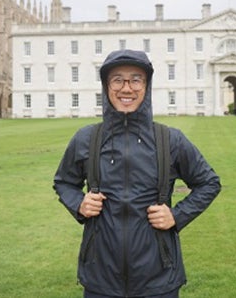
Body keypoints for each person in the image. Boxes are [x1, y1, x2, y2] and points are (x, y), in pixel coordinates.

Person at [53, 49, 221, 297]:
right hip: (101, 278)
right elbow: (64, 182)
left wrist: (176, 215)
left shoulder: (169, 139)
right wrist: (80, 203)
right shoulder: (86, 138)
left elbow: (209, 182)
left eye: (136, 79)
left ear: (147, 85)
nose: (127, 88)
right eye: (118, 79)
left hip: (158, 278)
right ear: (106, 86)